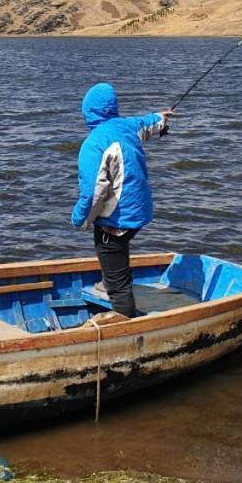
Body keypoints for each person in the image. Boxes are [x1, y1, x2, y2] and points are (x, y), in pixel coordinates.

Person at [70, 82, 174, 318]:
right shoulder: (127, 126)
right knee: (118, 250)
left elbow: (92, 193)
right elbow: (147, 123)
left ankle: (126, 322)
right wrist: (161, 118)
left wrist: (79, 220)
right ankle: (109, 280)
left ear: (88, 111)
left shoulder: (93, 144)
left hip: (114, 221)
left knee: (118, 279)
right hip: (138, 213)